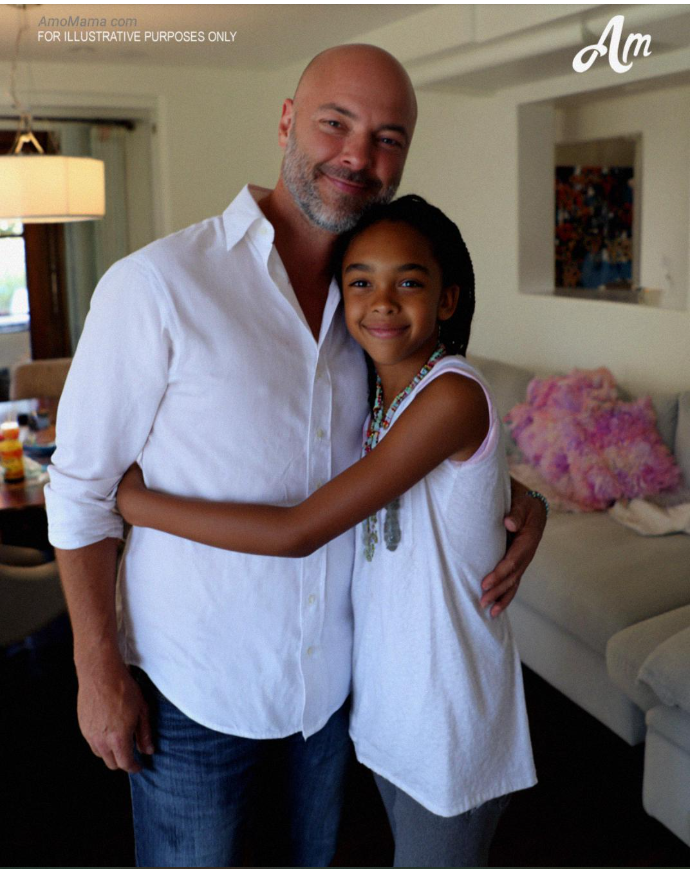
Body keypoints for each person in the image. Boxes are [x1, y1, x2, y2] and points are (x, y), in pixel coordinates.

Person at [46, 44, 546, 868]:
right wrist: (95, 666)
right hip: (196, 693)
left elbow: (413, 446)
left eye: (387, 137)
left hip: (334, 698)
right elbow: (77, 490)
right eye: (335, 123)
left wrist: (518, 497)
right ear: (286, 121)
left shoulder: (368, 313)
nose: (358, 154)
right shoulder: (159, 284)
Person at [116, 195, 538, 867]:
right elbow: (457, 487)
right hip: (395, 712)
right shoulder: (380, 399)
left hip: (452, 714)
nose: (382, 302)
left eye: (409, 282)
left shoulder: (451, 393)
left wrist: (137, 503)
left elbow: (297, 530)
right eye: (360, 281)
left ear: (448, 299)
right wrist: (525, 498)